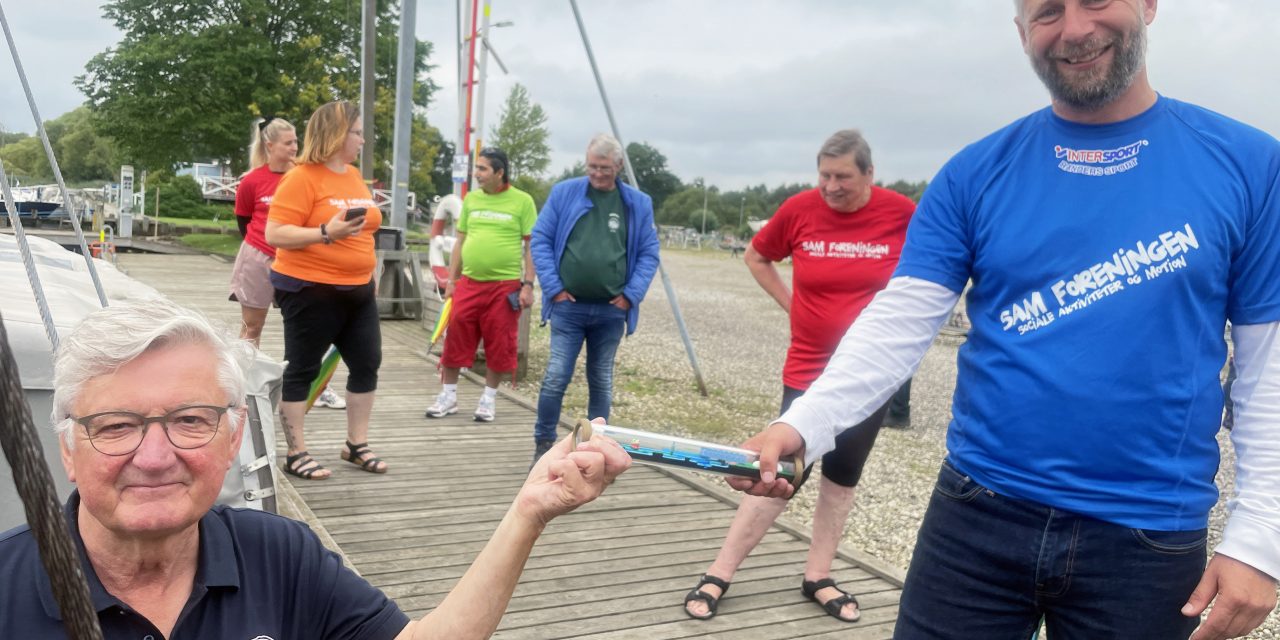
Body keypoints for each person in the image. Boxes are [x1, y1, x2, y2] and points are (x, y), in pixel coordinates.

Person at [732, 2, 1280, 639]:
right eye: (1047, 11)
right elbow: (897, 326)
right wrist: (801, 424)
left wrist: (1259, 538)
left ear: (1148, 4)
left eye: (1096, 0)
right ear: (1021, 31)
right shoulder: (975, 172)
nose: (1075, 29)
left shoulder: (1250, 166)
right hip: (977, 516)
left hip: (1148, 536)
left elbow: (1267, 368)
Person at [0, 299, 631, 638]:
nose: (156, 455)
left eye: (191, 420)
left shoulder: (278, 556)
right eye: (116, 427)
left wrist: (528, 513)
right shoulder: (5, 587)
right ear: (67, 450)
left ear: (234, 438)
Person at [683, 130, 915, 623]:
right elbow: (757, 255)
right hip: (810, 366)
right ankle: (719, 571)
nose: (830, 186)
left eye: (843, 177)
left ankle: (818, 575)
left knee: (843, 475)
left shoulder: (900, 213)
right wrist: (791, 305)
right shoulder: (800, 209)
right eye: (824, 175)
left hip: (870, 374)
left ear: (870, 174)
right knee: (780, 471)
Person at [264, 100, 386, 480]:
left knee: (367, 363)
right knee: (303, 368)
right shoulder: (301, 178)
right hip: (310, 289)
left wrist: (369, 269)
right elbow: (275, 233)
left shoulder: (352, 176)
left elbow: (366, 228)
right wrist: (323, 233)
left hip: (358, 290)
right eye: (357, 132)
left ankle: (355, 444)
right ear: (336, 135)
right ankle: (295, 451)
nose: (363, 140)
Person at [529, 133, 661, 465]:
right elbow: (541, 239)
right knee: (556, 375)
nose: (597, 174)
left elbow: (648, 252)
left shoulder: (637, 203)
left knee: (601, 379)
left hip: (611, 311)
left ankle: (596, 448)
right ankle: (544, 445)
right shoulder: (564, 193)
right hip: (568, 308)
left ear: (618, 166)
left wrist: (631, 295)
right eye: (591, 167)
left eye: (604, 168)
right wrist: (554, 287)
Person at [229, 115, 345, 410]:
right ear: (270, 145)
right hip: (257, 257)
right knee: (251, 328)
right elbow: (244, 220)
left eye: (297, 141)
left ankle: (317, 388)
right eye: (289, 142)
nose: (296, 147)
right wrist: (265, 245)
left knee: (310, 329)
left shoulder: (304, 175)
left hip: (297, 260)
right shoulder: (252, 180)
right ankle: (245, 387)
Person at [423, 147, 537, 422]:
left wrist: (528, 285)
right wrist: (451, 280)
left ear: (500, 172)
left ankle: (488, 399)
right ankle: (448, 396)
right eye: (476, 168)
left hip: (504, 286)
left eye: (483, 169)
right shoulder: (472, 200)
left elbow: (531, 246)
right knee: (456, 337)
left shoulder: (522, 202)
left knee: (499, 341)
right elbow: (460, 241)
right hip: (469, 283)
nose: (477, 174)